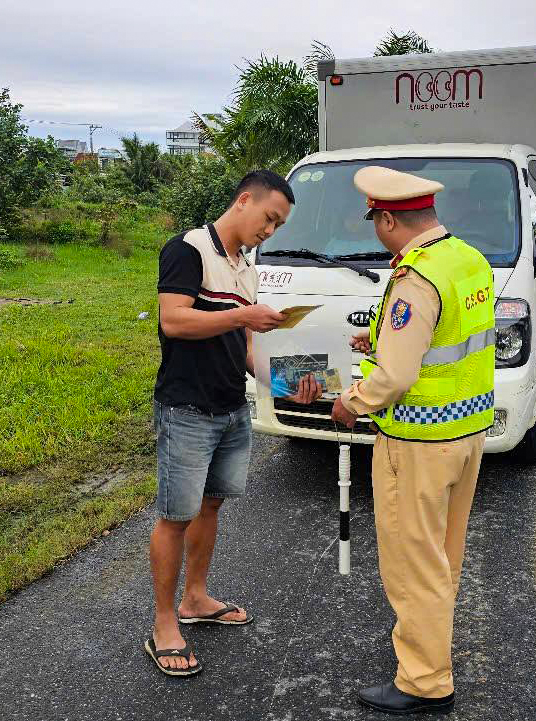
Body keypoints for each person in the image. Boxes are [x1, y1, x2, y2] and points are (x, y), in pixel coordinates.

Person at [331, 166, 496, 714]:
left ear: (385, 219)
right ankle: (430, 653)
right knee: (443, 557)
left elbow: (397, 379)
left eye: (375, 221)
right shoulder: (466, 259)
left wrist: (350, 402)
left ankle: (424, 682)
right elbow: (446, 337)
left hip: (418, 445)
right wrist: (377, 335)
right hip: (465, 434)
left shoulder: (415, 278)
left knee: (413, 564)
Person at [147, 169, 322, 676]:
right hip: (187, 409)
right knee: (175, 517)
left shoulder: (246, 265)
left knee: (210, 505)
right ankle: (164, 622)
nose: (271, 230)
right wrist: (242, 317)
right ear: (245, 200)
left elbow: (246, 350)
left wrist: (295, 386)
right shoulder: (188, 249)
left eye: (279, 225)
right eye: (270, 218)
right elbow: (174, 320)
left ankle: (195, 598)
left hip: (230, 407)